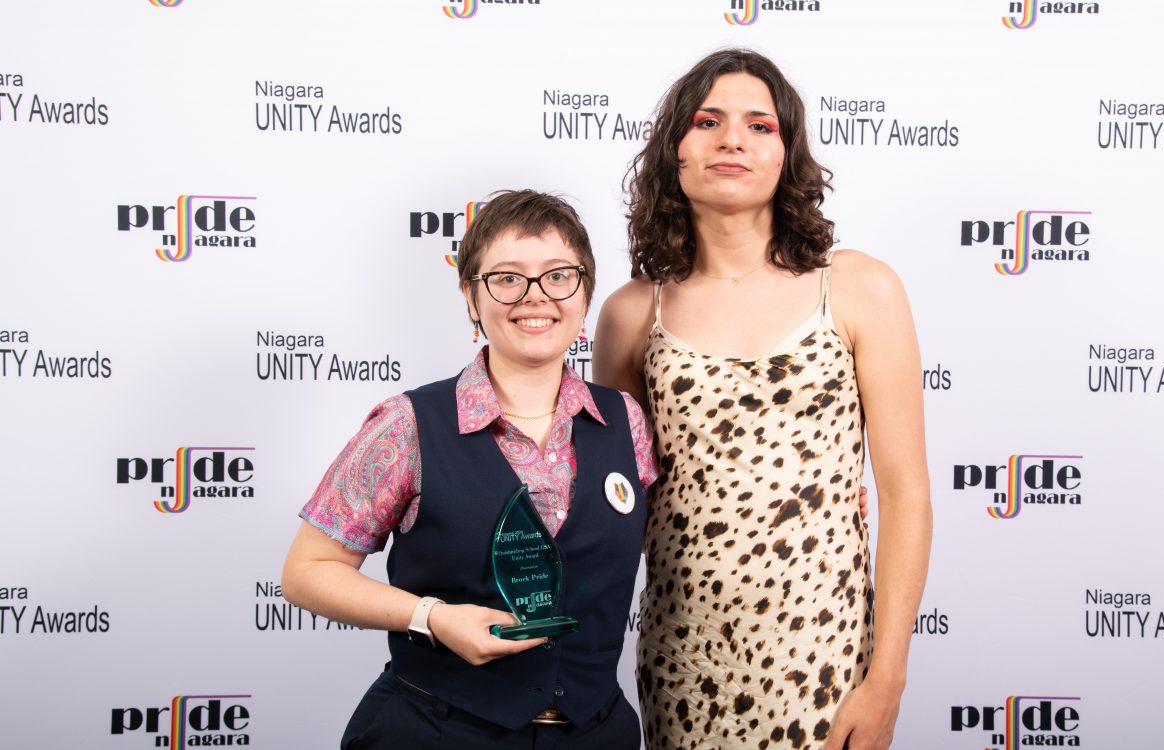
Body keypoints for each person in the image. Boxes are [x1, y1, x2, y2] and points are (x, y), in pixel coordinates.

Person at [594, 49, 933, 750]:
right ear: (674, 153)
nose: (732, 140)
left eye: (760, 125)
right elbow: (614, 503)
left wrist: (888, 677)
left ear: (788, 154)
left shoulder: (860, 287)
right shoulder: (632, 313)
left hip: (828, 661)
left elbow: (905, 493)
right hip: (683, 656)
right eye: (707, 120)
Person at [282, 190, 656, 750]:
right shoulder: (407, 425)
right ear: (471, 296)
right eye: (506, 278)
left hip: (598, 734)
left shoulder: (626, 420)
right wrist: (432, 617)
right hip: (437, 732)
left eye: (558, 276)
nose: (535, 297)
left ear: (584, 294)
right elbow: (307, 570)